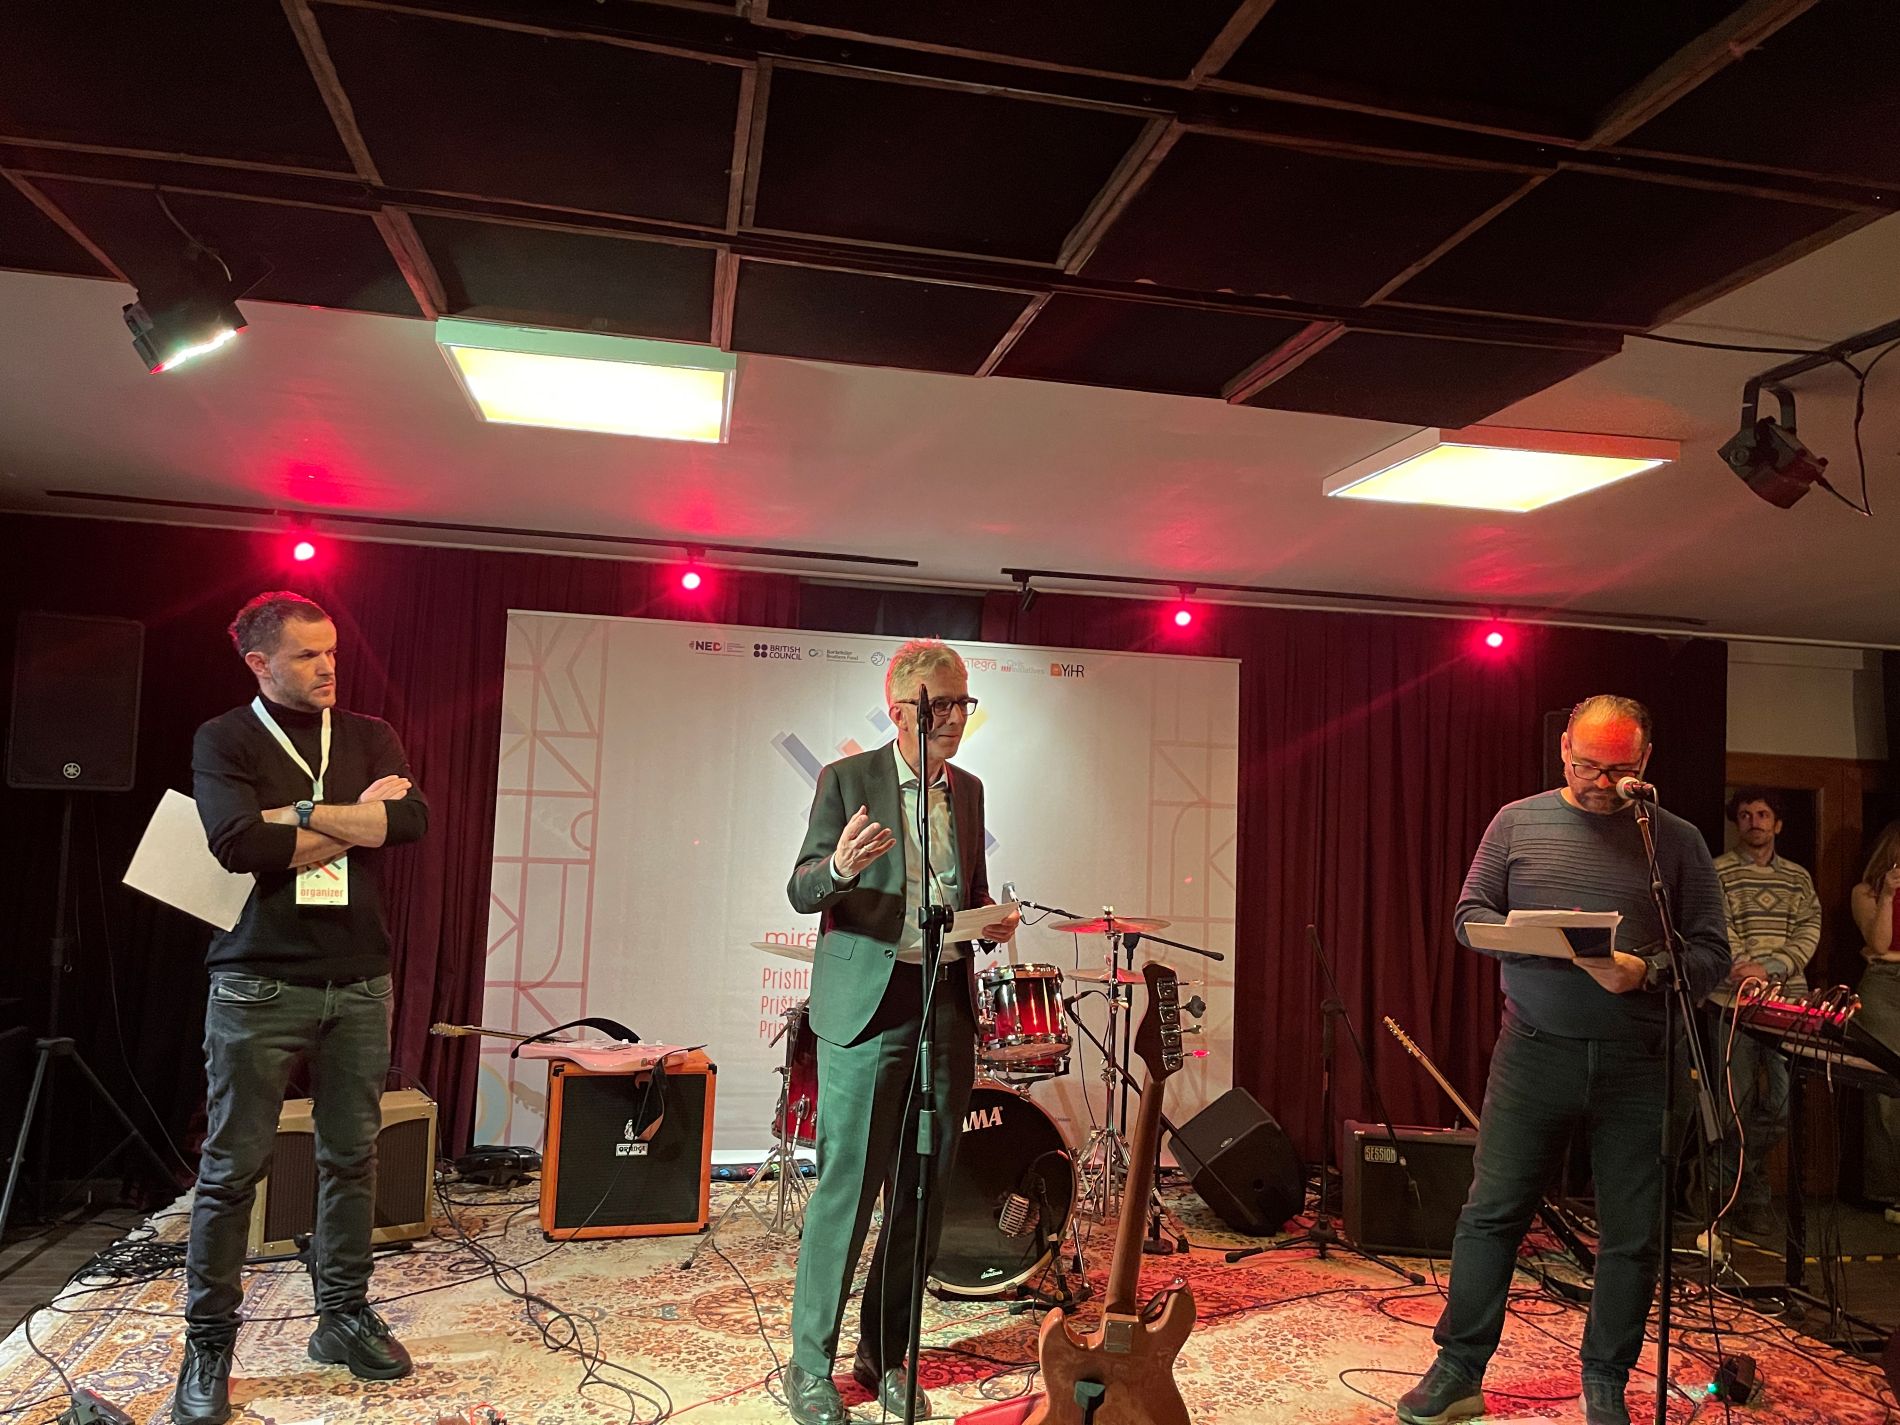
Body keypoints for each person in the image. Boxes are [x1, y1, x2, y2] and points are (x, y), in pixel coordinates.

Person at [1397, 696, 1728, 1425]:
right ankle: (1458, 1368)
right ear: (1564, 752)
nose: (1600, 782)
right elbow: (1468, 917)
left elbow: (1712, 952)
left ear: (1645, 762)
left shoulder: (1675, 840)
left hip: (1642, 1061)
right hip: (1534, 1051)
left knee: (1632, 1233)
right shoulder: (1516, 822)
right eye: (1586, 766)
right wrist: (1531, 937)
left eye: (1617, 770)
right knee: (1491, 1214)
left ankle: (1605, 1379)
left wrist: (1643, 970)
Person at [175, 592, 430, 1425]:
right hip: (257, 980)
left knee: (351, 1156)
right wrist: (357, 817)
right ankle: (209, 1344)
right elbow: (238, 844)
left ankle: (342, 1316)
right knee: (231, 1171)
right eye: (308, 655)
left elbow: (412, 819)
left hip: (359, 977)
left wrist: (302, 815)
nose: (328, 667)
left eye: (332, 652)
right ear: (260, 663)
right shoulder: (225, 738)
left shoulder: (369, 732)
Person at [781, 639, 1019, 1425]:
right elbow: (802, 888)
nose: (955, 717)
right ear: (899, 709)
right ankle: (808, 1365)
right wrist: (840, 870)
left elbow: (969, 891)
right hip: (868, 1006)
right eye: (941, 704)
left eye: (963, 703)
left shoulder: (969, 790)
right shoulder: (847, 779)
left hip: (943, 1001)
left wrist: (991, 921)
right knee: (848, 1188)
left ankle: (884, 1351)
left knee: (922, 1188)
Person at [1704, 788, 1819, 1238]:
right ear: (1737, 822)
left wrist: (1769, 968)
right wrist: (1745, 967)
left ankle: (1734, 1180)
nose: (1755, 821)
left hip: (1786, 1003)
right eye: (1746, 814)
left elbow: (1809, 929)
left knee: (1781, 1106)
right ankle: (1741, 1200)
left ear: (1778, 824)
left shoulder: (1798, 878)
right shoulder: (1718, 871)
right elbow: (1719, 925)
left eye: (1763, 814)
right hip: (1732, 1002)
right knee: (1734, 1103)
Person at [1849, 820, 1900, 1218]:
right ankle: (1888, 1191)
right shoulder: (1865, 892)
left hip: (1889, 969)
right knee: (1885, 1089)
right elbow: (1879, 944)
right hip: (1883, 987)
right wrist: (1888, 895)